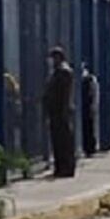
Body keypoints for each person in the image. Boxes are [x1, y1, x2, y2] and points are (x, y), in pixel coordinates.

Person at [43, 46, 76, 178]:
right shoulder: (59, 71)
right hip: (57, 112)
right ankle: (61, 167)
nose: (51, 61)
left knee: (62, 141)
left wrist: (62, 112)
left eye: (53, 58)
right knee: (59, 141)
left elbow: (63, 95)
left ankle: (65, 167)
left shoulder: (63, 72)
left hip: (60, 113)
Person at [81, 65, 99, 157]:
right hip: (87, 107)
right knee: (89, 127)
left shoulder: (89, 79)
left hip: (87, 107)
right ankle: (89, 148)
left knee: (88, 128)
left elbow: (92, 94)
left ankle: (89, 148)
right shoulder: (90, 79)